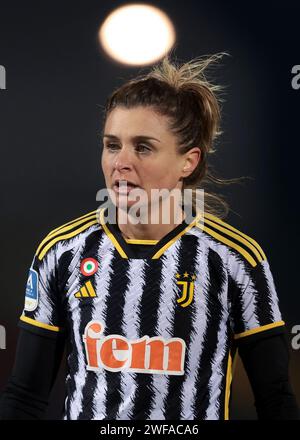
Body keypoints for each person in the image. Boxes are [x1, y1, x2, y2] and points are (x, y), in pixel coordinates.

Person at [0, 53, 299, 421]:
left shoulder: (235, 259)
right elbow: (25, 396)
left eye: (143, 146)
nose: (120, 162)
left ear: (188, 162)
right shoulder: (62, 251)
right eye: (112, 144)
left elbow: (276, 400)